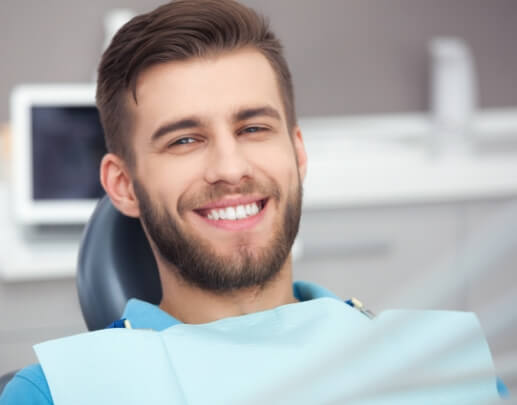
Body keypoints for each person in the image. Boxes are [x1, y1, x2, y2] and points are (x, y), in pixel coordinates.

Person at [0, 1, 508, 403]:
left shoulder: (442, 366)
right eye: (184, 139)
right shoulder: (59, 393)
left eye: (253, 128)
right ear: (123, 185)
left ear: (298, 151)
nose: (229, 168)